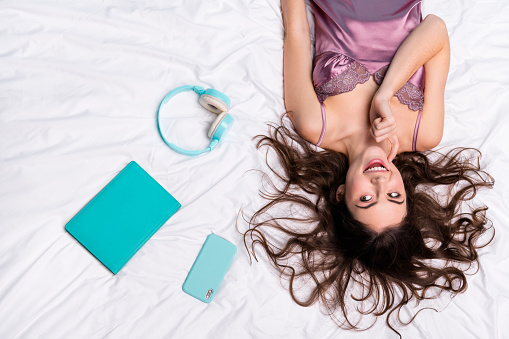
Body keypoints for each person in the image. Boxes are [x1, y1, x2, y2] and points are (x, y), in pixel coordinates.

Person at [243, 0, 494, 335]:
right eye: (393, 196)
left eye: (366, 200)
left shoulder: (315, 125)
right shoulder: (423, 133)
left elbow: (299, 32)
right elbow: (435, 28)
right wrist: (385, 94)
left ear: (341, 194)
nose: (380, 182)